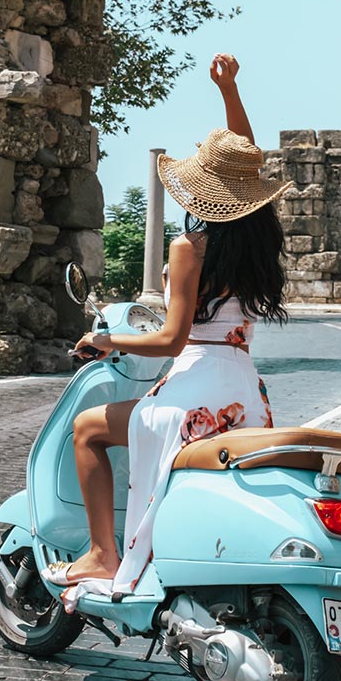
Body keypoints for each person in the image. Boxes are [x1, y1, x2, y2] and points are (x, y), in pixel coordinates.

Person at [42, 55, 290, 609]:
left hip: (195, 387)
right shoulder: (256, 242)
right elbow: (244, 160)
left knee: (87, 430)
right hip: (244, 392)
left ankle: (101, 554)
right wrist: (230, 91)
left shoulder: (190, 247)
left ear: (203, 192)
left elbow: (172, 340)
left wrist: (107, 340)